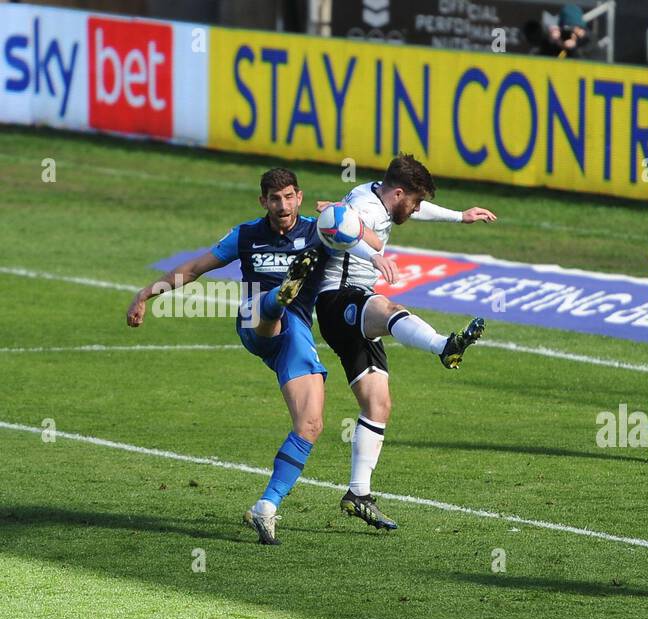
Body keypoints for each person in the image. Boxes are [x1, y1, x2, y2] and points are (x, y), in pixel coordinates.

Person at [124, 168, 388, 545]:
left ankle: (266, 507)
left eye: (289, 197)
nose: (283, 205)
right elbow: (196, 268)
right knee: (271, 311)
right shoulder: (246, 235)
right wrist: (146, 295)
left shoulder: (319, 229)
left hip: (295, 336)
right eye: (274, 199)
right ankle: (278, 296)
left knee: (310, 425)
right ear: (263, 201)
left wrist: (347, 220)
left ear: (299, 197)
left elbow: (374, 241)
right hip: (254, 318)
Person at [313, 154, 497, 531]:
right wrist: (373, 255)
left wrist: (460, 216)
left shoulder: (375, 192)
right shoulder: (365, 206)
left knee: (378, 404)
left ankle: (357, 495)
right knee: (386, 307)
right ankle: (444, 346)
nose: (414, 210)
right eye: (412, 202)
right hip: (338, 299)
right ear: (399, 193)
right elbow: (334, 229)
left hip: (351, 305)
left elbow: (408, 211)